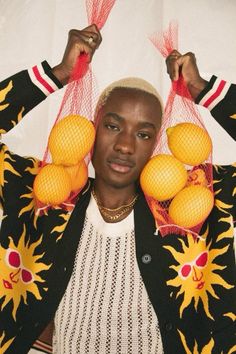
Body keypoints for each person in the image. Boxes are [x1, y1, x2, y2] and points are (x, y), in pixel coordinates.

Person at [0, 24, 235, 354]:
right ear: (90, 129)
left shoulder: (198, 203)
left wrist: (201, 89)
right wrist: (58, 74)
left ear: (157, 145)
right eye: (112, 126)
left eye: (143, 134)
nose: (125, 145)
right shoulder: (43, 194)